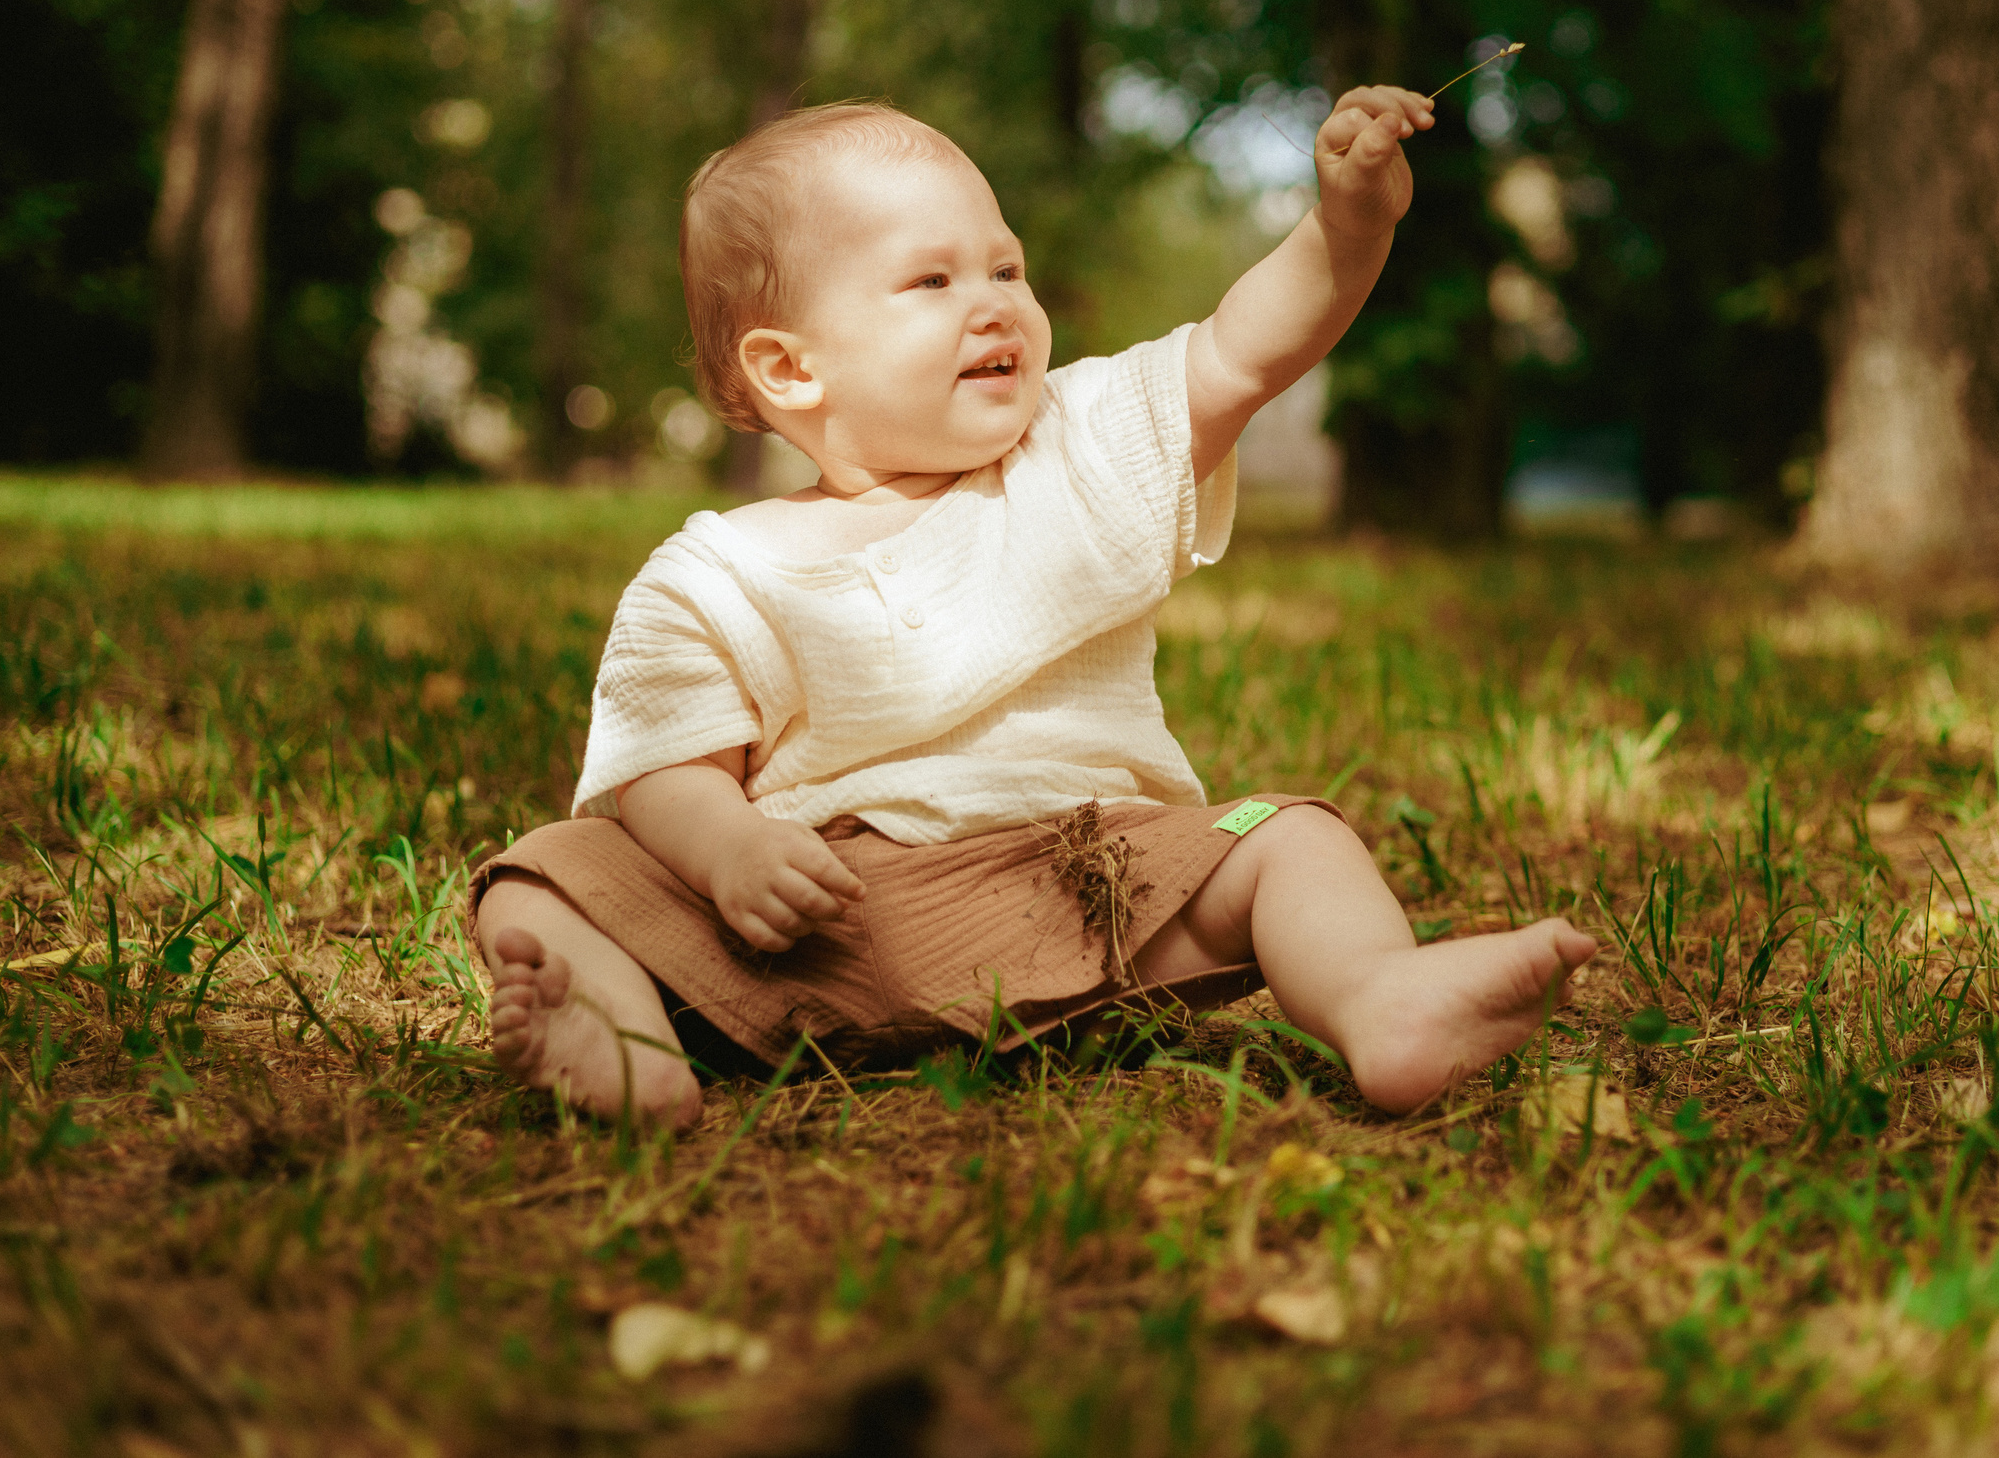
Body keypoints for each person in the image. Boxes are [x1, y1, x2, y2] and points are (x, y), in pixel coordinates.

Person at [474, 86, 1596, 1128]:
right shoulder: (716, 571)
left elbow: (1242, 353)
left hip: (1093, 898)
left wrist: (1347, 228)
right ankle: (617, 1040)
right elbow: (667, 767)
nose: (993, 305)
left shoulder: (1077, 446)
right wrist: (728, 854)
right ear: (791, 368)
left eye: (1006, 270)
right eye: (933, 281)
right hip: (828, 918)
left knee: (1287, 837)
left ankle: (1378, 998)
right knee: (544, 868)